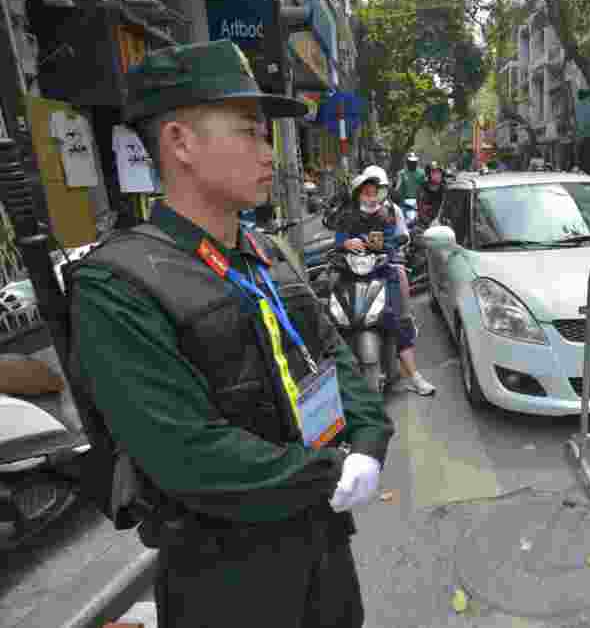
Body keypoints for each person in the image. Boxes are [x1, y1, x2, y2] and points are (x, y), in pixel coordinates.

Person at [66, 40, 394, 627]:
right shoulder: (117, 283)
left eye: (266, 135)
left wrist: (369, 438)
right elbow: (184, 450)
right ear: (180, 142)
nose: (268, 152)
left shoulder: (267, 251)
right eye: (249, 131)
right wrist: (327, 471)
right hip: (226, 576)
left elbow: (329, 354)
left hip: (323, 547)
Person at [335, 167, 436, 396]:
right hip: (353, 275)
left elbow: (394, 242)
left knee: (399, 321)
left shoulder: (389, 214)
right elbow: (338, 240)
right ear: (358, 194)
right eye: (366, 193)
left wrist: (382, 249)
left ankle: (414, 376)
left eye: (375, 192)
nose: (372, 197)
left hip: (383, 272)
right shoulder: (347, 216)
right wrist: (345, 244)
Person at [416, 164, 445, 231]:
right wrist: (429, 223)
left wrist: (439, 221)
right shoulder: (422, 188)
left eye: (439, 173)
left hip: (441, 223)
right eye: (434, 173)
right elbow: (420, 210)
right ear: (429, 174)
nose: (437, 175)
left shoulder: (445, 189)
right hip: (425, 223)